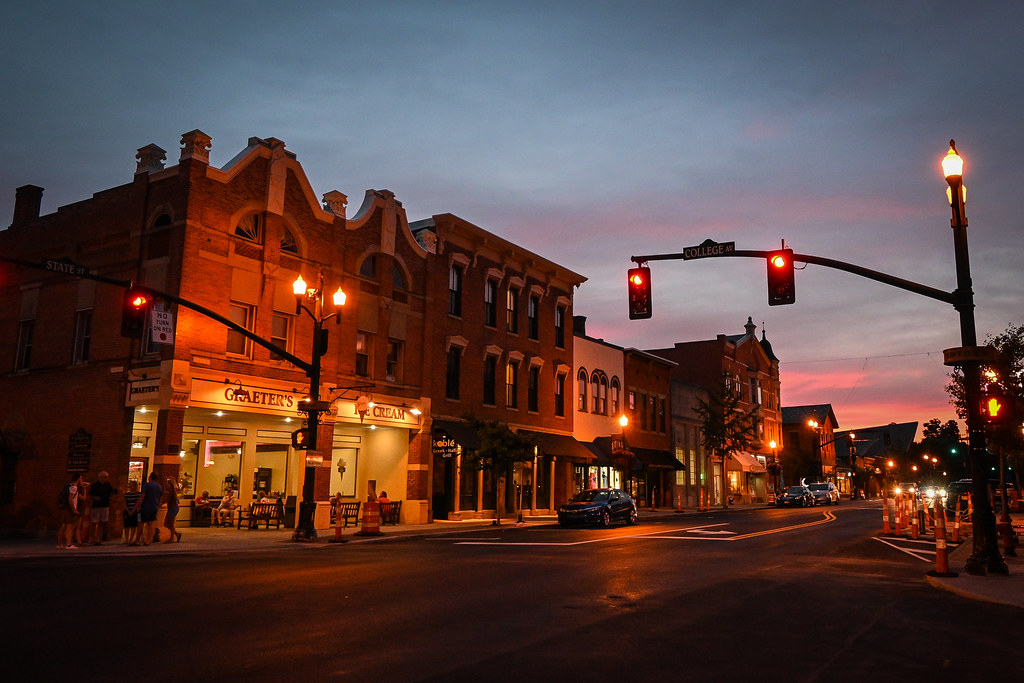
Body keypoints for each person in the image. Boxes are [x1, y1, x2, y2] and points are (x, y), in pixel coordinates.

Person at [89, 471, 116, 545]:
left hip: (105, 505)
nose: (105, 479)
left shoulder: (108, 485)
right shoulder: (95, 485)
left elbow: (112, 493)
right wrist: (95, 498)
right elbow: (90, 495)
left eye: (106, 477)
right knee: (94, 522)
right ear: (100, 477)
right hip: (96, 506)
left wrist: (111, 497)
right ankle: (92, 538)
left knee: (102, 522)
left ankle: (98, 538)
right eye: (104, 477)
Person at [57, 474, 84, 549]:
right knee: (70, 526)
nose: (81, 480)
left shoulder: (68, 486)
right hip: (70, 509)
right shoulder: (74, 487)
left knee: (64, 525)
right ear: (78, 479)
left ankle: (59, 543)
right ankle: (68, 544)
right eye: (81, 479)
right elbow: (70, 499)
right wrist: (74, 509)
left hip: (65, 508)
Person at [139, 471, 163, 546]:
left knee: (140, 523)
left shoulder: (147, 485)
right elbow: (161, 498)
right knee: (151, 525)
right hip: (154, 507)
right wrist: (158, 504)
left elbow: (142, 495)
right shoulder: (159, 486)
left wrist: (138, 505)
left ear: (150, 477)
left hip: (144, 507)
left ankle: (137, 540)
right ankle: (148, 540)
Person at [122, 480, 142, 545]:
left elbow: (138, 503)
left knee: (134, 525)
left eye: (132, 485)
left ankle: (131, 538)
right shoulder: (127, 494)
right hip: (127, 511)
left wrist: (133, 510)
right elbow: (124, 503)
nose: (131, 487)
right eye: (130, 485)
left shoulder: (138, 494)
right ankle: (127, 539)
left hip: (135, 511)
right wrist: (127, 510)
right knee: (127, 525)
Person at [163, 478, 182, 543]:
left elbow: (169, 499)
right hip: (173, 508)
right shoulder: (173, 491)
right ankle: (175, 535)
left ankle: (173, 537)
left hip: (172, 508)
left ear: (170, 484)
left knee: (168, 523)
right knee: (169, 523)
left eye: (167, 484)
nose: (166, 485)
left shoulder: (172, 491)